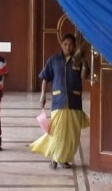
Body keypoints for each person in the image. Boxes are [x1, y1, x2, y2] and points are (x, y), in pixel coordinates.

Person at [31, 33, 90, 169]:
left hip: (75, 102)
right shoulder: (54, 60)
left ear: (74, 46)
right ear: (61, 45)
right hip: (58, 101)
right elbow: (45, 78)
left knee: (72, 134)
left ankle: (64, 159)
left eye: (70, 45)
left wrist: (84, 62)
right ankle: (55, 158)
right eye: (65, 44)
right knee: (57, 132)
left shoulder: (78, 60)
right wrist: (42, 96)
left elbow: (84, 76)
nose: (68, 47)